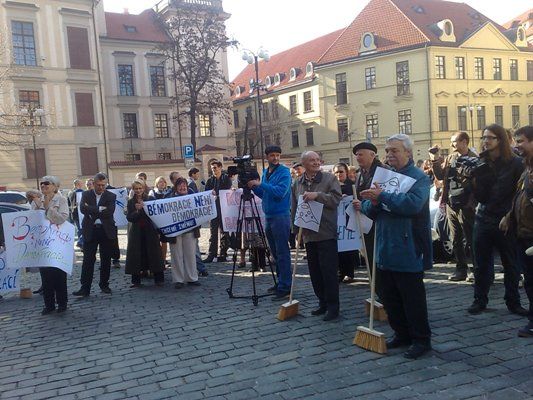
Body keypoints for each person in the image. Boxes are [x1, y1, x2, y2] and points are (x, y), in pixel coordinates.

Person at [356, 134, 433, 359]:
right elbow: (370, 210)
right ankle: (401, 333)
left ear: (408, 153)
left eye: (394, 151)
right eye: (387, 150)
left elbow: (412, 205)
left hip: (408, 246)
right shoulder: (385, 176)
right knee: (389, 296)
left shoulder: (419, 177)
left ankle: (421, 339)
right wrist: (373, 201)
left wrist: (383, 197)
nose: (389, 155)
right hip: (384, 245)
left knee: (412, 297)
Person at [468, 124, 527, 316]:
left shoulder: (516, 163)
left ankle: (513, 302)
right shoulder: (480, 162)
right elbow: (480, 196)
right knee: (481, 263)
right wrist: (473, 181)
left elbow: (519, 193)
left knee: (510, 263)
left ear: (500, 139)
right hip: (483, 217)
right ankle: (480, 300)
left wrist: (510, 216)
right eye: (484, 137)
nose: (486, 141)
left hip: (506, 219)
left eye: (490, 137)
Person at [292, 151, 342, 321]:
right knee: (315, 272)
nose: (315, 162)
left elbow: (336, 199)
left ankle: (333, 307)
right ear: (303, 163)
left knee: (328, 272)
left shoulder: (329, 179)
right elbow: (294, 207)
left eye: (317, 160)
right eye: (311, 160)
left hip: (326, 232)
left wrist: (318, 196)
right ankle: (322, 302)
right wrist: (296, 231)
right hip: (307, 233)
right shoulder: (297, 183)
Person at [430, 132, 478, 281]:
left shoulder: (474, 158)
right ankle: (461, 269)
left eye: (454, 142)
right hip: (452, 203)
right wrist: (435, 159)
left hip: (466, 204)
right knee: (455, 238)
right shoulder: (451, 157)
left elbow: (478, 184)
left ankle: (476, 270)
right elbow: (440, 175)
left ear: (464, 142)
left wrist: (471, 203)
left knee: (471, 239)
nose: (452, 145)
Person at [248, 145, 293, 299]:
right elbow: (264, 193)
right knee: (275, 252)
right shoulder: (266, 172)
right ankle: (281, 281)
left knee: (282, 252)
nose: (275, 158)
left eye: (278, 155)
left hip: (281, 216)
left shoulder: (285, 172)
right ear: (267, 157)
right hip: (269, 216)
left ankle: (286, 285)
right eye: (272, 155)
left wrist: (261, 184)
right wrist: (254, 187)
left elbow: (280, 192)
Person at [501, 126, 533, 337]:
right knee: (529, 280)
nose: (516, 145)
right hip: (523, 233)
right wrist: (509, 215)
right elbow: (520, 196)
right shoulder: (526, 168)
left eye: (520, 141)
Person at [29, 176, 70, 314]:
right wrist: (36, 207)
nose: (43, 185)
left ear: (55, 186)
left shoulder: (61, 199)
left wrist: (48, 209)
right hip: (42, 243)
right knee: (45, 276)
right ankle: (49, 304)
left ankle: (62, 303)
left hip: (57, 243)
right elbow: (32, 221)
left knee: (59, 274)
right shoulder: (37, 201)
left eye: (47, 183)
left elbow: (62, 218)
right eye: (41, 184)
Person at [73, 172, 117, 297]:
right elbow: (82, 209)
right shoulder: (86, 194)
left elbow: (109, 212)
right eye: (98, 185)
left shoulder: (111, 196)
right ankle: (85, 287)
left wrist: (92, 210)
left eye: (103, 185)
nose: (101, 188)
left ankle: (104, 284)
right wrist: (99, 209)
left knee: (106, 259)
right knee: (88, 260)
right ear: (93, 183)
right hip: (90, 230)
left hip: (105, 230)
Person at [353, 142, 388, 277]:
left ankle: (382, 290)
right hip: (365, 221)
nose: (357, 157)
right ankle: (376, 288)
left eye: (361, 154)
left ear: (372, 155)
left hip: (378, 221)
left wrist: (364, 204)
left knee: (378, 257)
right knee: (369, 255)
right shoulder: (359, 173)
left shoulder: (383, 171)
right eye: (356, 155)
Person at [125, 180, 164, 287]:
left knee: (154, 254)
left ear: (144, 188)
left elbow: (155, 214)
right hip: (136, 232)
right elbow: (129, 217)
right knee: (136, 255)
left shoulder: (150, 199)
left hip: (149, 231)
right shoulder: (130, 201)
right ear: (133, 189)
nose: (138, 190)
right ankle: (136, 281)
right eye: (136, 188)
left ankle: (159, 279)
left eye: (140, 188)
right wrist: (137, 211)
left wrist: (145, 208)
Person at [168, 177, 200, 288]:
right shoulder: (169, 198)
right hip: (175, 232)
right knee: (176, 256)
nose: (183, 187)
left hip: (190, 231)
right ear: (176, 188)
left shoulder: (193, 197)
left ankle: (192, 278)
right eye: (180, 185)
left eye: (184, 185)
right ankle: (178, 280)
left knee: (190, 254)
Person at [333, 162, 358, 283]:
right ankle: (340, 272)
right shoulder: (331, 187)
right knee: (338, 248)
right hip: (335, 221)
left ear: (346, 173)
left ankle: (349, 272)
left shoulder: (352, 186)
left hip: (349, 220)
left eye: (341, 172)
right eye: (336, 172)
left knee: (349, 248)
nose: (338, 174)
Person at [204, 160, 232, 262]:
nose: (213, 170)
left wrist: (219, 194)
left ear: (220, 167)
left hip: (224, 210)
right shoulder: (209, 181)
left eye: (215, 168)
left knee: (225, 232)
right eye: (212, 168)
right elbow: (206, 194)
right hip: (213, 210)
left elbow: (227, 191)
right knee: (213, 233)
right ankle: (212, 255)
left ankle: (223, 254)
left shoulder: (226, 179)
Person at [68, 179, 84, 249]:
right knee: (82, 229)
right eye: (81, 183)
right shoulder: (79, 192)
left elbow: (68, 204)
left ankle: (81, 244)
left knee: (79, 229)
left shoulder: (70, 192)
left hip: (73, 213)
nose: (82, 185)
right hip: (80, 213)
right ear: (78, 184)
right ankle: (80, 242)